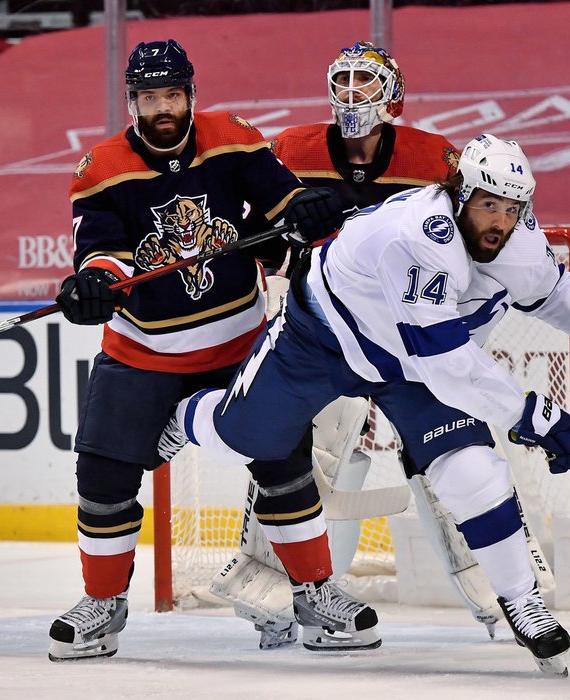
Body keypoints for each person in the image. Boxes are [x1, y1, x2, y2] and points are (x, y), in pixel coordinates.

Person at [158, 133, 570, 675]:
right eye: (486, 205)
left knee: (474, 472)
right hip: (323, 339)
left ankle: (523, 601)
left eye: (510, 208)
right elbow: (448, 364)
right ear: (458, 196)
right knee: (245, 438)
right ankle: (183, 417)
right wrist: (535, 416)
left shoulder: (516, 235)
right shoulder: (419, 239)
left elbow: (552, 293)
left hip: (406, 366)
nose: (498, 221)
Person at [47, 38, 378, 662]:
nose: (162, 108)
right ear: (133, 102)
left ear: (191, 97)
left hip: (239, 345)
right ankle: (103, 605)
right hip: (143, 352)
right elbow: (101, 250)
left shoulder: (233, 138)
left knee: (284, 461)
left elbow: (279, 200)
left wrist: (301, 208)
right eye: (149, 98)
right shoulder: (101, 168)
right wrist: (96, 283)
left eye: (172, 95)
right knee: (103, 472)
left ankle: (315, 592)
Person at [217, 41, 520, 651]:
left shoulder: (436, 157)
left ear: (394, 94)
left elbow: (479, 237)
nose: (353, 92)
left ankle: (502, 596)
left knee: (446, 449)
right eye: (344, 79)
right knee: (309, 448)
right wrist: (289, 240)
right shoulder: (291, 151)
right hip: (323, 330)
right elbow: (255, 234)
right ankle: (278, 591)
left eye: (366, 80)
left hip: (410, 336)